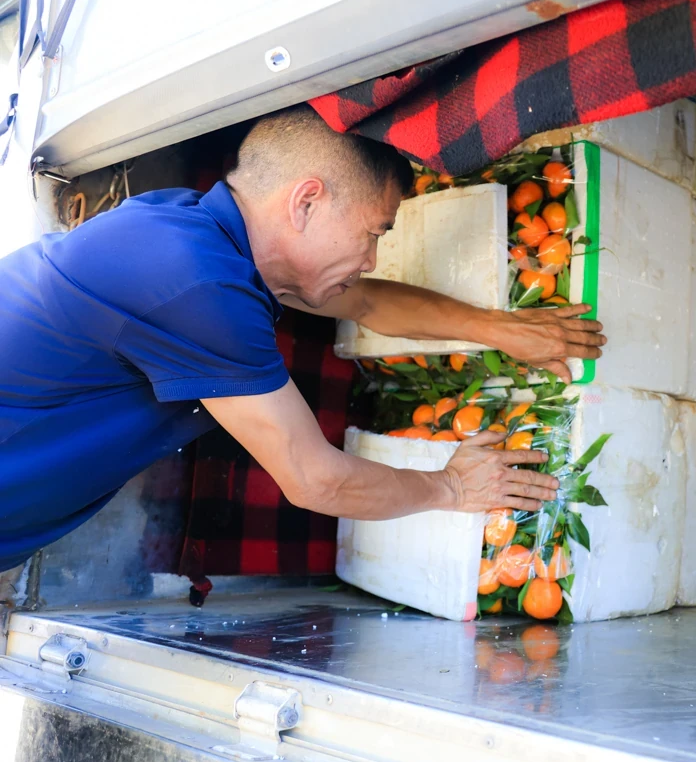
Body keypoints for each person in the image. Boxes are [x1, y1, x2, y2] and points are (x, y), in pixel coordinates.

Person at [0, 105, 606, 626]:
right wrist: (452, 486)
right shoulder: (195, 278)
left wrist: (501, 329)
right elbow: (314, 478)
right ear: (307, 200)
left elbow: (368, 301)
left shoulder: (202, 236)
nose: (371, 258)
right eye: (373, 233)